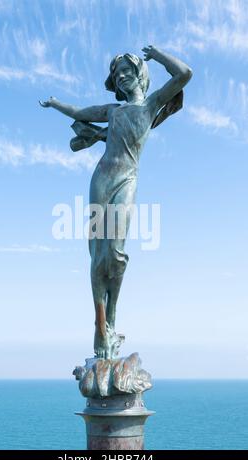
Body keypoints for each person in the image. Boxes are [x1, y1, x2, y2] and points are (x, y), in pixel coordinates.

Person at [39, 45, 192, 359]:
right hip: (101, 180)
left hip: (126, 179)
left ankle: (111, 317)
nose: (121, 76)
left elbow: (184, 74)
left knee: (116, 252)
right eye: (116, 73)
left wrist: (158, 55)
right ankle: (99, 322)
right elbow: (81, 113)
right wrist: (55, 104)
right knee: (97, 253)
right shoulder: (113, 111)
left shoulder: (150, 105)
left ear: (138, 73)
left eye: (126, 70)